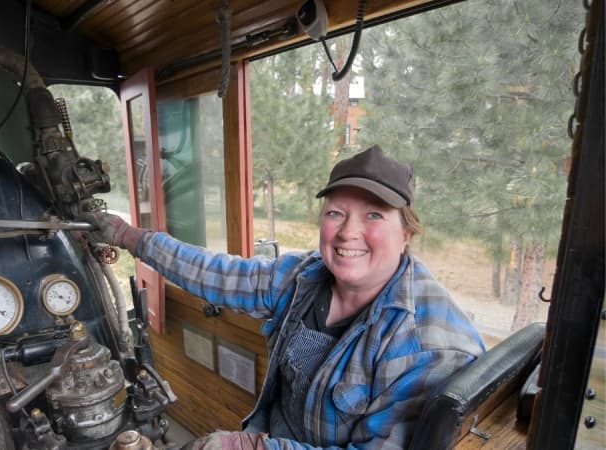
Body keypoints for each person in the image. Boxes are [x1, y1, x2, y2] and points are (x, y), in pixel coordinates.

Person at [82, 145, 485, 450]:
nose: (348, 233)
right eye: (336, 213)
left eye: (374, 215)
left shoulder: (427, 346)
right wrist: (127, 235)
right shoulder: (303, 276)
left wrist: (250, 446)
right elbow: (216, 274)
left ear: (407, 232)